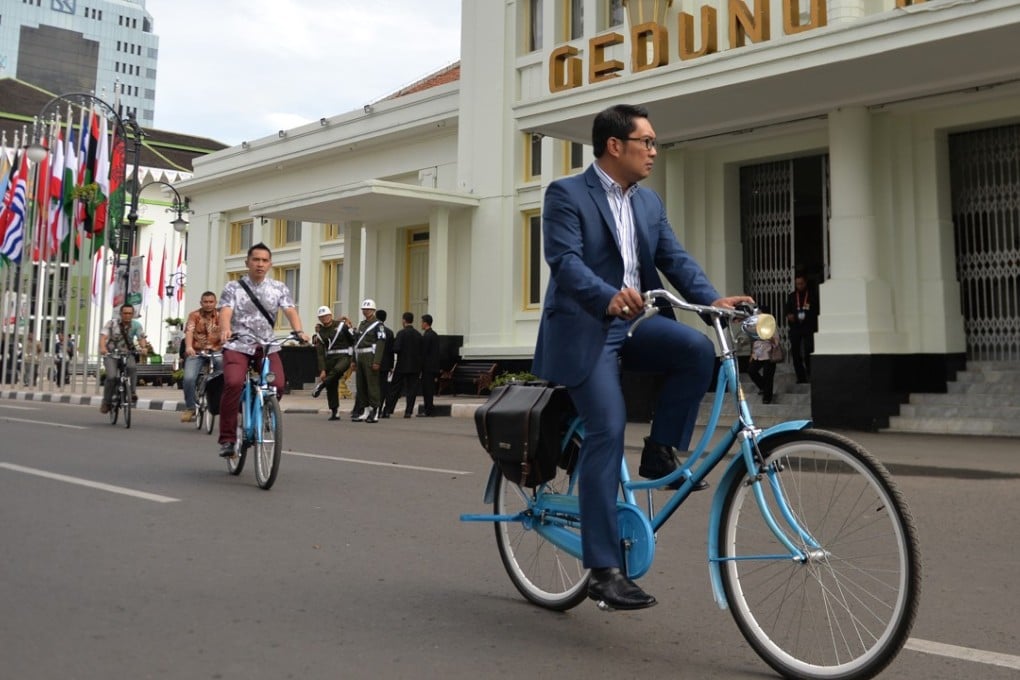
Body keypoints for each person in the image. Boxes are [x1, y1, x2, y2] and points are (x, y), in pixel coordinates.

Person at [531, 103, 752, 611]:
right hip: (588, 329)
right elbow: (563, 262)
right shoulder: (566, 194)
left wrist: (711, 300)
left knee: (697, 351)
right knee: (607, 429)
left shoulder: (649, 203)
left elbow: (674, 259)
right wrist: (605, 294)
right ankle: (604, 570)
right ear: (615, 145)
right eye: (646, 141)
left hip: (635, 325)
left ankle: (660, 450)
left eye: (654, 142)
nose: (654, 150)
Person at [216, 243, 309, 456]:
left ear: (270, 264)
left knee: (277, 385)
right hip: (238, 344)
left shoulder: (278, 288)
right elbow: (226, 311)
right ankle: (228, 439)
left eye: (264, 260)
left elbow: (290, 310)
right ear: (247, 262)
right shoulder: (233, 287)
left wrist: (299, 331)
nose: (260, 264)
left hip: (266, 345)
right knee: (233, 383)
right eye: (256, 260)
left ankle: (265, 410)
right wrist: (226, 329)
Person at [180, 291, 223, 423]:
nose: (208, 304)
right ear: (201, 303)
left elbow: (228, 331)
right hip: (197, 351)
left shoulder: (222, 316)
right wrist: (188, 347)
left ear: (215, 303)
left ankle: (218, 400)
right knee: (188, 378)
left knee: (224, 375)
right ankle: (190, 407)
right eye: (206, 302)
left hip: (217, 351)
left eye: (211, 302)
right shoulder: (194, 315)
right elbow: (189, 332)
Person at [312, 305, 355, 421]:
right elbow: (320, 353)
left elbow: (353, 340)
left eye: (326, 316)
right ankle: (334, 411)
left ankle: (321, 385)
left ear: (331, 315)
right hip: (330, 358)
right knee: (331, 386)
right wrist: (322, 370)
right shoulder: (320, 333)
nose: (324, 318)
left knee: (338, 370)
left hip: (344, 356)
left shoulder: (342, 326)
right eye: (321, 317)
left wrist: (353, 358)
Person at [99, 304, 144, 413]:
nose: (127, 315)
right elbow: (103, 337)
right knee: (112, 377)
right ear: (120, 314)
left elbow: (141, 338)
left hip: (127, 353)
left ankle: (132, 392)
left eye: (129, 313)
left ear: (133, 314)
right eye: (125, 313)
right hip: (111, 354)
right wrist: (103, 348)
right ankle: (107, 402)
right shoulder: (111, 324)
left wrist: (143, 347)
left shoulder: (136, 325)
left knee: (132, 368)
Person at [351, 298, 386, 423]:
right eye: (364, 309)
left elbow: (381, 343)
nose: (366, 311)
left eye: (368, 309)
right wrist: (353, 360)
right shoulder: (361, 324)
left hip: (370, 356)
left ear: (373, 310)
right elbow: (356, 343)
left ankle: (375, 411)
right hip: (360, 356)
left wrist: (377, 361)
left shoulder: (378, 325)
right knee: (361, 385)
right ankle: (365, 410)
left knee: (372, 385)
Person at [384, 312, 423, 418]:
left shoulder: (401, 333)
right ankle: (408, 412)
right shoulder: (418, 334)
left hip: (402, 365)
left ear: (404, 320)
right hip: (415, 367)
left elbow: (396, 348)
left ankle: (388, 410)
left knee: (395, 388)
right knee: (412, 390)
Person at [784, 274, 818, 383]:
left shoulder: (812, 295)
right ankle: (800, 377)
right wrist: (789, 316)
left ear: (805, 283)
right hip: (795, 327)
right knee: (795, 352)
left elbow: (817, 311)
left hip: (808, 327)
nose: (799, 286)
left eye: (801, 283)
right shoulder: (792, 296)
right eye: (797, 284)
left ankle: (810, 373)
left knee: (809, 350)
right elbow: (787, 311)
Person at [747, 305, 780, 404]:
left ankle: (767, 397)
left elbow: (776, 342)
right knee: (751, 371)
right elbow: (753, 340)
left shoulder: (771, 325)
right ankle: (762, 387)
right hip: (757, 354)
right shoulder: (755, 326)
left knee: (768, 376)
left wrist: (768, 336)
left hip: (768, 353)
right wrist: (752, 353)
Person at [375, 309, 396, 417]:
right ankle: (383, 409)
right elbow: (391, 351)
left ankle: (375, 409)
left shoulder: (374, 330)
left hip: (375, 363)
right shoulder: (390, 332)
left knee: (375, 386)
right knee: (384, 387)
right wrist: (391, 365)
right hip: (386, 364)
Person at [419, 314, 440, 417]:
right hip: (433, 366)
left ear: (425, 323)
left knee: (427, 390)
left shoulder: (427, 336)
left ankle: (428, 410)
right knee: (430, 389)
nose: (421, 324)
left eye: (422, 322)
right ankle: (429, 408)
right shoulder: (434, 335)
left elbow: (423, 352)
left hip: (427, 367)